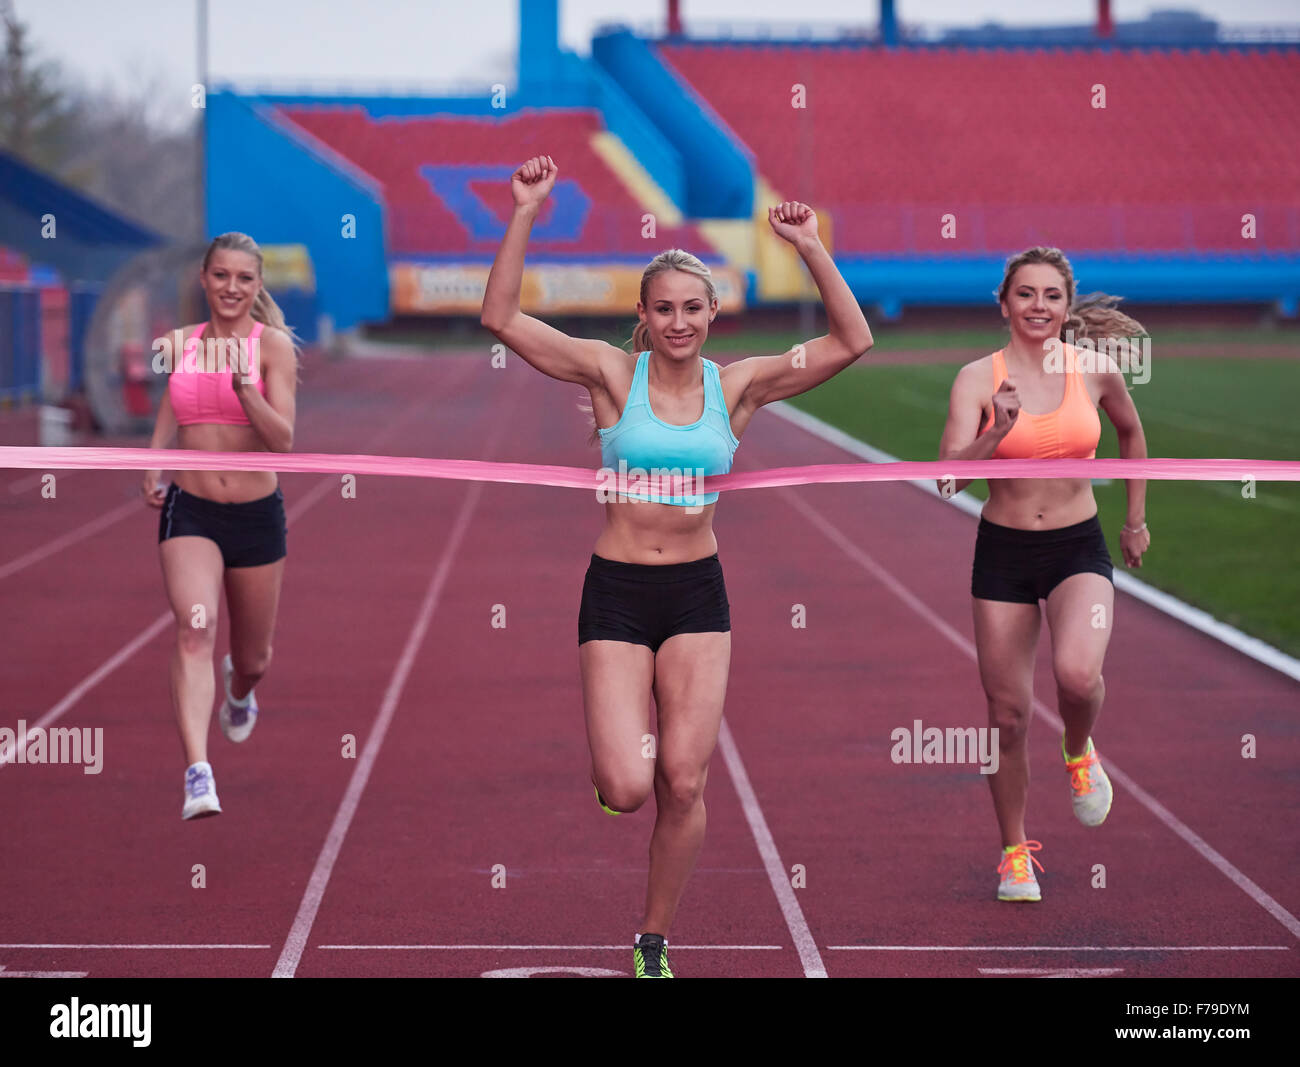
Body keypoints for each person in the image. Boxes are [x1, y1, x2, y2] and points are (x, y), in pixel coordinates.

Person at [481, 156, 873, 977]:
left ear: (713, 312)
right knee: (628, 786)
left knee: (685, 784)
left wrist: (808, 245)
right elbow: (502, 316)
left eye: (693, 307)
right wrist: (523, 212)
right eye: (665, 309)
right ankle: (616, 765)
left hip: (697, 593)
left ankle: (652, 938)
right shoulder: (609, 372)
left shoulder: (742, 387)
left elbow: (852, 341)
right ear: (644, 314)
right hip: (618, 592)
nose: (679, 321)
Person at [937, 246, 1151, 901]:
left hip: (1076, 548)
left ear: (1066, 303)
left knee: (1078, 675)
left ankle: (1080, 751)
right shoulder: (977, 379)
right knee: (1006, 714)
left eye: (1051, 295)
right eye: (1025, 294)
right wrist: (996, 429)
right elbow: (949, 477)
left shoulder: (1096, 370)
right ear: (1004, 304)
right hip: (1003, 552)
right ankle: (1014, 853)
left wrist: (1134, 519)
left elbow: (1131, 436)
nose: (1038, 306)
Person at [142, 232, 299, 820]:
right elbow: (173, 403)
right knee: (193, 629)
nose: (231, 287)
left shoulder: (273, 348)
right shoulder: (178, 343)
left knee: (253, 656)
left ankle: (240, 692)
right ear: (204, 280)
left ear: (257, 287)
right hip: (192, 510)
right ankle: (197, 773)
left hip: (257, 517)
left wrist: (243, 386)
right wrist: (154, 461)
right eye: (221, 275)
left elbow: (282, 439)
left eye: (244, 278)